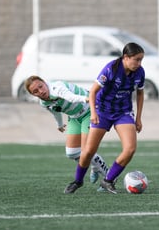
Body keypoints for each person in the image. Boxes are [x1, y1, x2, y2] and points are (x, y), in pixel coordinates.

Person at [64, 42, 145, 194]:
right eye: (137, 59)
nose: (139, 63)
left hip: (123, 112)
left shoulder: (140, 72)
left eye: (141, 60)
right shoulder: (111, 69)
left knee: (130, 149)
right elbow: (93, 91)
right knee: (88, 151)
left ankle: (108, 180)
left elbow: (140, 93)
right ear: (126, 57)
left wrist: (138, 118)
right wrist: (94, 114)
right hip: (102, 111)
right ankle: (78, 181)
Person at [25, 76, 109, 185]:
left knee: (86, 151)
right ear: (33, 95)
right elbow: (55, 112)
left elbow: (71, 97)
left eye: (41, 86)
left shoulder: (57, 87)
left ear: (45, 83)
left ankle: (109, 177)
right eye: (35, 91)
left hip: (89, 111)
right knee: (72, 153)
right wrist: (59, 125)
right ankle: (95, 166)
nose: (40, 91)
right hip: (74, 117)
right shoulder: (43, 103)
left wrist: (86, 98)